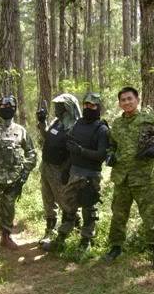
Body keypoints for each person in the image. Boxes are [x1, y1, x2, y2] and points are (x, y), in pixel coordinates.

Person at [104, 87, 154, 271]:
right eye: (123, 100)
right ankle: (116, 248)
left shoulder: (148, 120)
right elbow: (111, 145)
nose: (126, 102)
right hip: (121, 178)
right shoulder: (116, 124)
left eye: (129, 99)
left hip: (144, 179)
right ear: (119, 103)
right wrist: (110, 155)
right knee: (118, 215)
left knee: (151, 217)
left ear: (137, 99)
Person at [42, 93, 109, 253]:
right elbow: (70, 149)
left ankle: (85, 241)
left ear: (98, 107)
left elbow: (101, 155)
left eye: (92, 105)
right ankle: (61, 239)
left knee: (88, 208)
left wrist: (81, 151)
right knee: (68, 207)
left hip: (90, 175)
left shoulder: (102, 129)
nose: (88, 108)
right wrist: (66, 170)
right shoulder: (78, 125)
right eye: (86, 104)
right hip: (74, 172)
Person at [0, 95, 37, 249]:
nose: (6, 109)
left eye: (10, 107)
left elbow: (31, 152)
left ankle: (6, 236)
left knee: (8, 208)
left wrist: (24, 173)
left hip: (13, 179)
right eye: (3, 106)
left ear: (15, 109)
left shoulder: (20, 131)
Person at [37, 94, 82, 246]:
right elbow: (46, 137)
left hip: (61, 169)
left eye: (59, 106)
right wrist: (42, 122)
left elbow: (75, 151)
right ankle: (50, 230)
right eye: (55, 106)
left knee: (66, 201)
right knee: (48, 200)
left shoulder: (75, 125)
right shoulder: (57, 122)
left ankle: (75, 230)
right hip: (47, 167)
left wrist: (66, 170)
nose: (55, 109)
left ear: (68, 108)